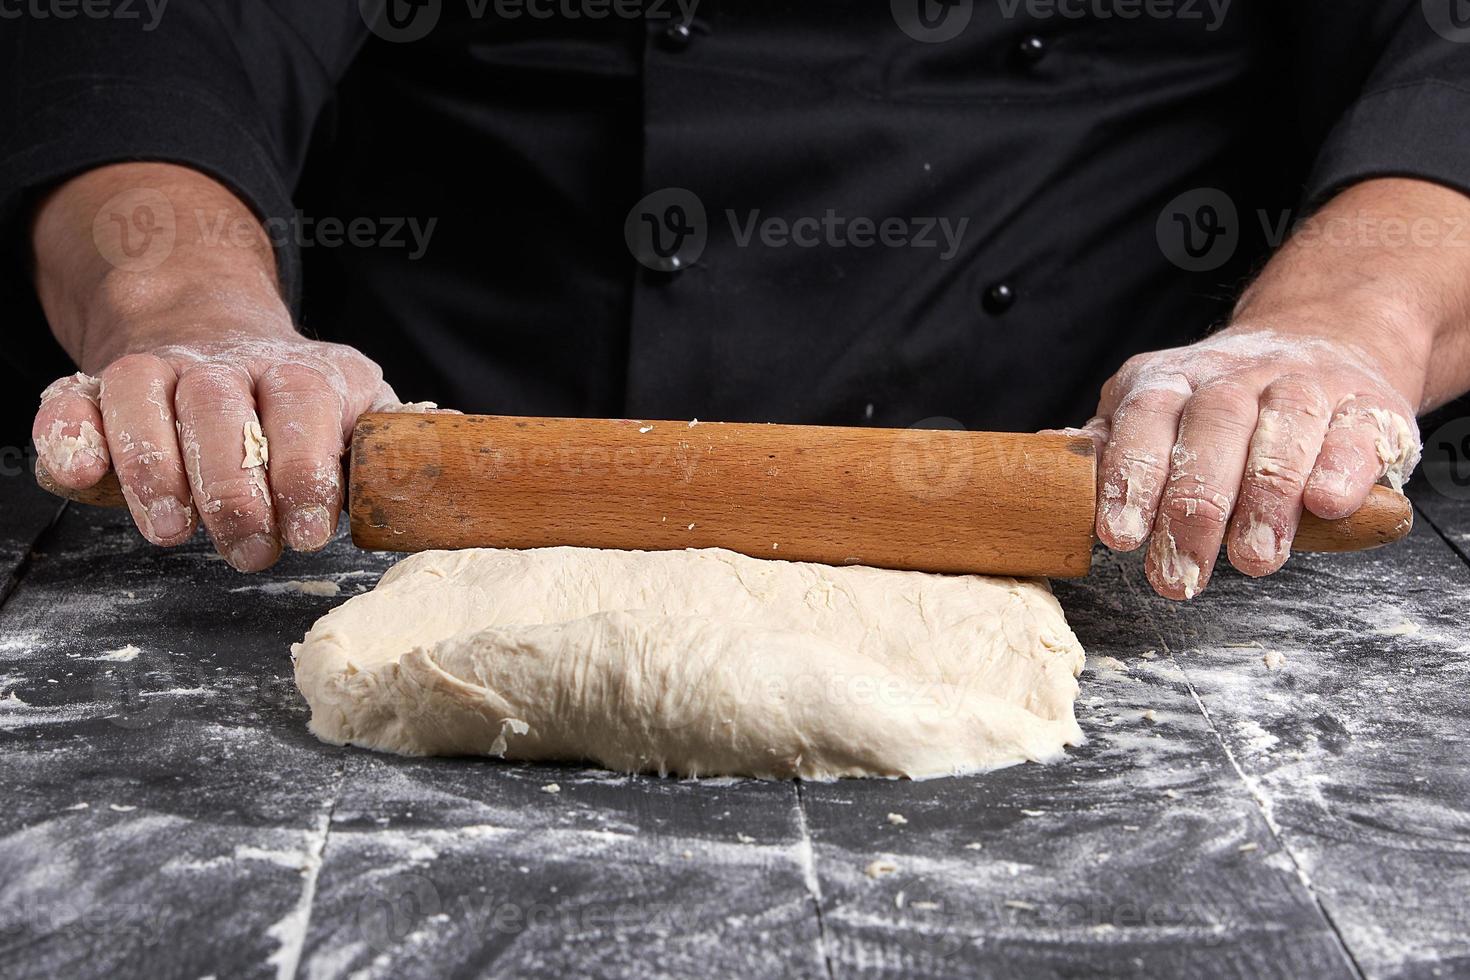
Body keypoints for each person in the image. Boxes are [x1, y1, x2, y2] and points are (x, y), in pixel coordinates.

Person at [3, 2, 1468, 599]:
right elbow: (153, 33)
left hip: (1111, 528)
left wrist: (1342, 334)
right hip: (411, 519)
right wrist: (188, 310)